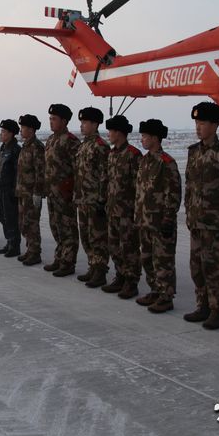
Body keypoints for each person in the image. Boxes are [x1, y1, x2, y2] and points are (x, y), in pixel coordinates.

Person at [184, 101, 219, 330]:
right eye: (197, 123)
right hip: (197, 222)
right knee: (196, 267)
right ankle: (203, 306)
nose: (198, 127)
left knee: (215, 269)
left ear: (215, 125)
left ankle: (218, 310)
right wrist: (189, 213)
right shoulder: (194, 152)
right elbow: (189, 187)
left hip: (216, 224)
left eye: (203, 123)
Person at [134, 119, 182, 312]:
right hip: (144, 220)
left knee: (163, 260)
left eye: (145, 136)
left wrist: (169, 219)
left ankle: (166, 296)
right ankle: (155, 289)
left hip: (160, 221)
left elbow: (174, 193)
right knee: (147, 258)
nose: (142, 139)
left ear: (155, 138)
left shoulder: (166, 163)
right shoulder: (145, 161)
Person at [102, 115, 142, 299]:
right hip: (112, 210)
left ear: (119, 132)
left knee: (129, 248)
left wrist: (137, 212)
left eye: (111, 131)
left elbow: (139, 187)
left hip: (127, 212)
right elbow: (107, 181)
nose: (109, 134)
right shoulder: (112, 154)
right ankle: (120, 275)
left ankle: (131, 281)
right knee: (114, 246)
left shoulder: (133, 155)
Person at [73, 106, 110, 288]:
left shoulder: (101, 147)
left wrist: (102, 200)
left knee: (98, 238)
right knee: (86, 236)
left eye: (85, 122)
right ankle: (92, 266)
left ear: (95, 124)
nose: (82, 125)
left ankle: (100, 270)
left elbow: (105, 176)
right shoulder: (84, 145)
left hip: (95, 201)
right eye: (81, 122)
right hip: (82, 200)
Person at [43, 104, 80, 277]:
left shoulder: (71, 141)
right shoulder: (51, 140)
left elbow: (77, 169)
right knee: (56, 226)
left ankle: (68, 261)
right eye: (50, 119)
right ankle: (59, 257)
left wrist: (71, 190)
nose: (51, 122)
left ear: (64, 121)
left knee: (68, 229)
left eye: (54, 119)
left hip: (65, 194)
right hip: (52, 193)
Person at [15, 114, 45, 266]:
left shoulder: (37, 147)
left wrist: (38, 192)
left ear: (31, 129)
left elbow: (40, 172)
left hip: (32, 193)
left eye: (24, 128)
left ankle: (35, 252)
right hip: (22, 192)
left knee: (32, 223)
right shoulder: (26, 146)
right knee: (24, 223)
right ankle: (29, 249)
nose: (21, 131)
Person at [0, 119, 22, 257]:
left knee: (11, 217)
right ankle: (8, 241)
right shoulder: (3, 148)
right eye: (1, 131)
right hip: (1, 189)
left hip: (9, 190)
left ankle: (14, 245)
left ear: (11, 134)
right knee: (3, 217)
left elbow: (17, 172)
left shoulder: (15, 150)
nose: (1, 134)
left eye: (4, 131)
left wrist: (14, 190)